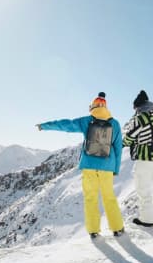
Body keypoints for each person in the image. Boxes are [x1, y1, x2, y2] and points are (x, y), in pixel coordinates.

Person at [36, 92, 125, 238]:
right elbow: (118, 148)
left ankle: (93, 231)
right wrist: (115, 169)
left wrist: (44, 126)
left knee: (90, 198)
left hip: (89, 165)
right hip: (107, 167)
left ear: (93, 106)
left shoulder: (87, 121)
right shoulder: (114, 123)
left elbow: (66, 125)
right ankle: (117, 228)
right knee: (109, 197)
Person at [123, 90, 153, 227]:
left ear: (139, 106)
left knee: (142, 189)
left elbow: (130, 137)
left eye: (135, 108)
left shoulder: (141, 118)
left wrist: (121, 144)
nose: (135, 111)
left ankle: (146, 219)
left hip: (144, 158)